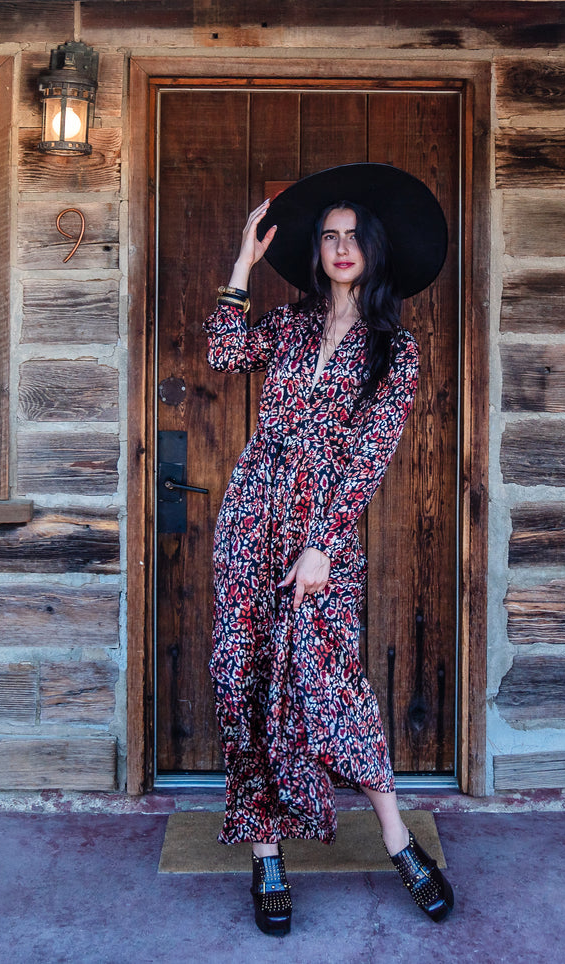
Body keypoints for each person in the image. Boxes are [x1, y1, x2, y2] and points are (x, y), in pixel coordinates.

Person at [203, 163, 454, 936]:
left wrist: (321, 545)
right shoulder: (287, 327)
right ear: (316, 252)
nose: (341, 247)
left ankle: (396, 840)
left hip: (323, 535)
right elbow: (220, 352)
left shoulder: (393, 350)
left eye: (353, 237)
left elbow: (368, 457)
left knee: (331, 684)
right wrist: (243, 264)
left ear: (373, 252)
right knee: (243, 678)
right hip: (252, 516)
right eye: (329, 237)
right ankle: (266, 853)